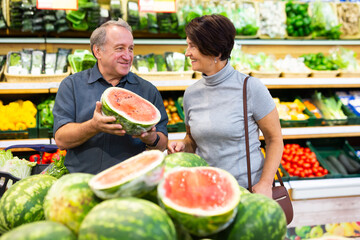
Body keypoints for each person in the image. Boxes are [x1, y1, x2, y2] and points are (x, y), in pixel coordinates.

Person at [167, 14, 283, 198]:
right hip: (206, 190)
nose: (187, 53)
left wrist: (265, 183)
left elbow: (275, 139)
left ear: (215, 51)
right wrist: (182, 146)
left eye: (192, 46)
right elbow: (192, 139)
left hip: (247, 191)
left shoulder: (250, 88)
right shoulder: (191, 94)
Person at [53, 19, 168, 174]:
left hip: (131, 181)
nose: (127, 56)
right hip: (81, 181)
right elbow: (61, 140)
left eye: (131, 49)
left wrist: (151, 138)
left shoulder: (148, 90)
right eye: (120, 48)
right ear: (98, 51)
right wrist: (93, 126)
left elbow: (162, 144)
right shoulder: (71, 85)